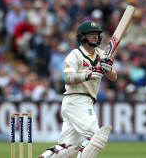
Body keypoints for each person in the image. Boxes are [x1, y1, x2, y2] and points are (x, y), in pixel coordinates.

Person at [38, 20, 117, 158]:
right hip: (76, 99)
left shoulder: (101, 54)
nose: (96, 37)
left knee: (68, 148)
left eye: (97, 35)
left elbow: (114, 77)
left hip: (84, 101)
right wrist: (88, 73)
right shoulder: (75, 55)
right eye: (91, 35)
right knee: (96, 138)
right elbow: (68, 78)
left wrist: (107, 68)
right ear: (82, 37)